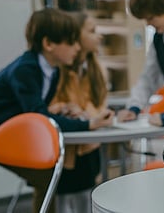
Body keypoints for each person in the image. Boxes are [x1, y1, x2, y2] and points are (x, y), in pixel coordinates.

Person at [0, 8, 114, 213]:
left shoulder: (52, 71)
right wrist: (88, 124)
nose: (76, 48)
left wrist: (61, 109)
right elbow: (40, 116)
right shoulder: (25, 69)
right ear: (48, 44)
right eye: (71, 42)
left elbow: (36, 112)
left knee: (46, 177)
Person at [47, 12, 106, 213]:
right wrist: (66, 108)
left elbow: (99, 105)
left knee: (87, 200)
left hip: (88, 148)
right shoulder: (59, 70)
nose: (98, 36)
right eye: (91, 31)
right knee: (62, 202)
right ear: (76, 36)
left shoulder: (94, 69)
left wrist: (86, 112)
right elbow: (49, 104)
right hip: (65, 148)